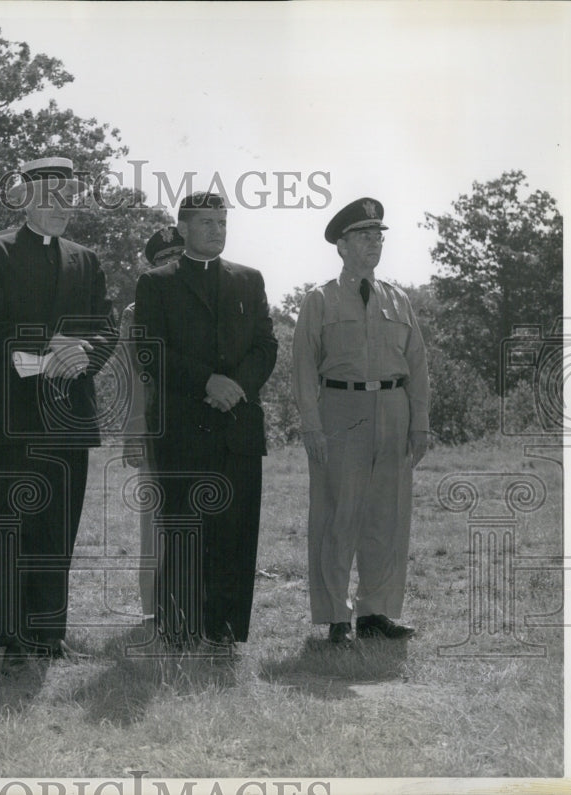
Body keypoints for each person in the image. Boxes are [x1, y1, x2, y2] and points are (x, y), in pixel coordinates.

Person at [0, 156, 117, 673]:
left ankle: (48, 634)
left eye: (70, 197)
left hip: (68, 412)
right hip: (9, 413)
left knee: (58, 525)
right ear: (25, 198)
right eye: (51, 197)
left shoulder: (86, 259)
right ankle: (1, 632)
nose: (62, 207)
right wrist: (45, 340)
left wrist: (85, 353)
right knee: (5, 522)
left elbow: (106, 328)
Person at [133, 192, 277, 652]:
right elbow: (150, 352)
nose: (217, 229)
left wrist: (235, 386)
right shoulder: (155, 284)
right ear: (183, 228)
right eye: (207, 222)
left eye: (222, 221)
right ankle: (178, 628)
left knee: (235, 533)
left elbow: (266, 345)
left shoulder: (249, 280)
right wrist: (207, 382)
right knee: (182, 530)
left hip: (238, 426)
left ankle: (226, 631)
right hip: (182, 429)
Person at [291, 197, 430, 645]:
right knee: (338, 515)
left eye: (378, 237)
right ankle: (335, 615)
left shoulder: (398, 299)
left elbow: (419, 365)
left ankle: (377, 612)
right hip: (340, 411)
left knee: (387, 517)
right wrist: (311, 425)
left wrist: (420, 423)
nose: (374, 244)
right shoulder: (320, 299)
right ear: (342, 246)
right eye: (364, 237)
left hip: (393, 409)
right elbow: (303, 369)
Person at [118, 226, 185, 623]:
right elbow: (132, 377)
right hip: (156, 426)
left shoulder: (211, 299)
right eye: (164, 260)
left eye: (179, 256)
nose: (173, 264)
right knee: (156, 521)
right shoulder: (136, 312)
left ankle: (195, 604)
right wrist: (133, 432)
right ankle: (154, 609)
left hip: (202, 424)